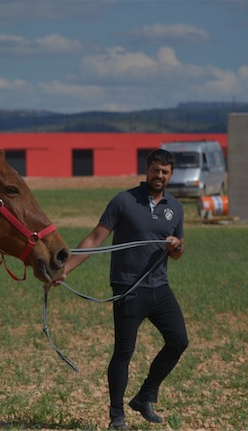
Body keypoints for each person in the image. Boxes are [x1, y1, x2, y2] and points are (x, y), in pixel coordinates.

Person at [62, 149, 188, 430]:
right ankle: (116, 415)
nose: (159, 176)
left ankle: (145, 396)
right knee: (124, 353)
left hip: (160, 287)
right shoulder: (124, 201)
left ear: (170, 174)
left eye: (165, 172)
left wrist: (176, 246)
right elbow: (95, 238)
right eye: (155, 170)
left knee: (179, 340)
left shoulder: (175, 208)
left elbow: (178, 251)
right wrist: (66, 268)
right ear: (147, 170)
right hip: (128, 288)